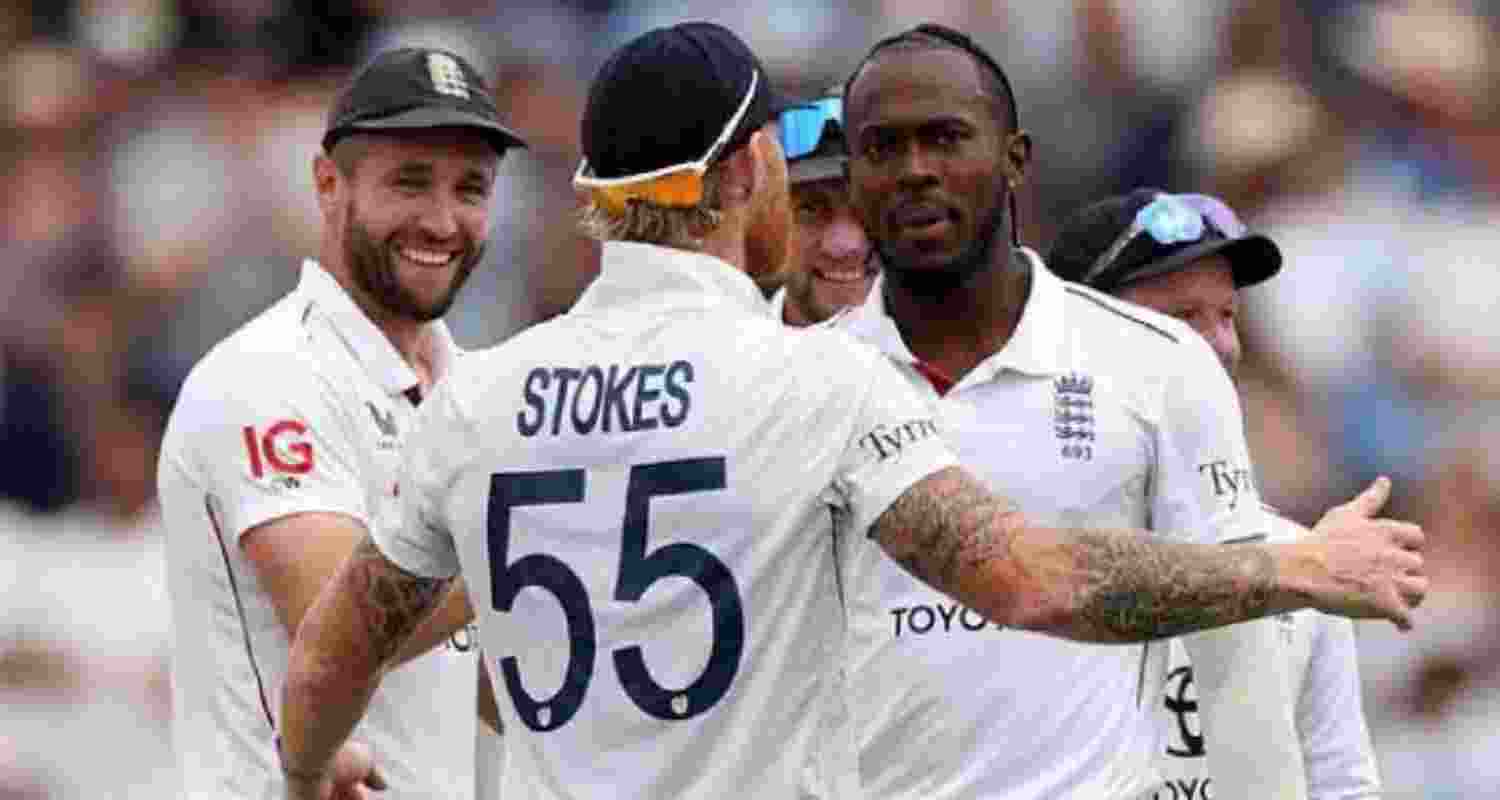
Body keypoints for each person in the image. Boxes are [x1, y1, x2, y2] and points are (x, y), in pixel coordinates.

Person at [274, 22, 1425, 800]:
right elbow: (1036, 581)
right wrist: (1290, 569)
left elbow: (334, 647)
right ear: (740, 178)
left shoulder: (482, 394)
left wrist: (308, 770)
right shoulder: (815, 381)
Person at [835, 23, 1374, 800]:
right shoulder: (807, 378)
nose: (917, 170)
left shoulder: (1156, 364)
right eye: (884, 148)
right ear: (853, 174)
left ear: (1015, 158)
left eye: (947, 138)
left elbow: (1241, 655)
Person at [155, 47, 524, 799]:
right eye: (410, 182)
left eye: (471, 188)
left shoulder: (481, 389)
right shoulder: (264, 376)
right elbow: (341, 620)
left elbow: (488, 672)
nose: (443, 220)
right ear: (329, 184)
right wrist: (553, 528)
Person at [1046, 188, 1383, 800]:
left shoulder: (1302, 557)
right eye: (1181, 319)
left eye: (1226, 316)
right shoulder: (1005, 554)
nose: (1221, 345)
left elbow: (1340, 785)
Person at [768, 87, 877, 326]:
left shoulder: (965, 355)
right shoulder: (720, 356)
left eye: (867, 208)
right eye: (810, 210)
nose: (845, 245)